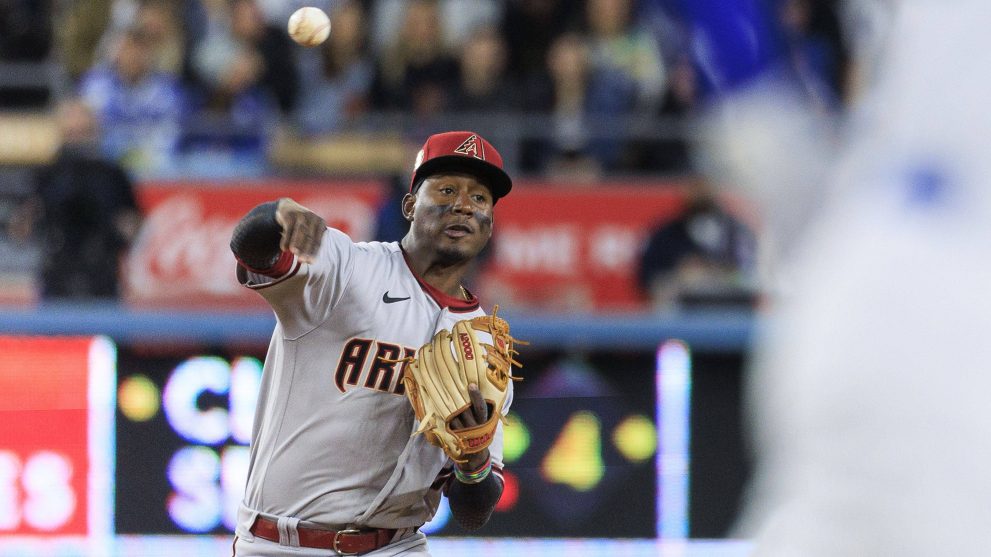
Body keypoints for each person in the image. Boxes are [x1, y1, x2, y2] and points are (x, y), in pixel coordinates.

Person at [228, 131, 513, 556]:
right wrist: (275, 217)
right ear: (410, 205)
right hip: (280, 544)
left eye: (479, 198)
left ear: (489, 223)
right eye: (447, 190)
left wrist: (472, 464)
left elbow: (474, 512)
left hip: (395, 546)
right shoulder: (349, 268)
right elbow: (252, 252)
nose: (463, 205)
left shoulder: (485, 348)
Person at [18, 97, 142, 300]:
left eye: (84, 133)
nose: (78, 143)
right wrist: (30, 220)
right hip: (57, 273)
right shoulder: (46, 174)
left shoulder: (112, 174)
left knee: (103, 330)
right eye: (71, 134)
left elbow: (133, 222)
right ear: (61, 135)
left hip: (101, 272)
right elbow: (22, 228)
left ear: (95, 132)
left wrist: (121, 231)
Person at [636, 177, 758, 313]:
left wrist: (717, 273)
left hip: (729, 313)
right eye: (694, 185)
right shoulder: (666, 234)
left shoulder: (736, 232)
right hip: (681, 313)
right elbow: (647, 278)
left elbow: (752, 275)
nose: (699, 191)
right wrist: (679, 277)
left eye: (704, 184)